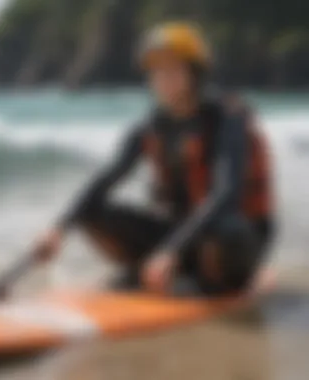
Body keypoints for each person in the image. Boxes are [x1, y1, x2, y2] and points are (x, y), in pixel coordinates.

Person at [33, 22, 274, 296]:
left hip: (236, 242)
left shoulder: (228, 117)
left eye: (173, 69)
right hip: (182, 240)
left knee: (226, 226)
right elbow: (106, 178)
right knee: (92, 211)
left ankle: (209, 282)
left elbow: (226, 193)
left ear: (195, 73)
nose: (163, 78)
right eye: (156, 71)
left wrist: (170, 249)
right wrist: (58, 228)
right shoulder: (151, 127)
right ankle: (151, 270)